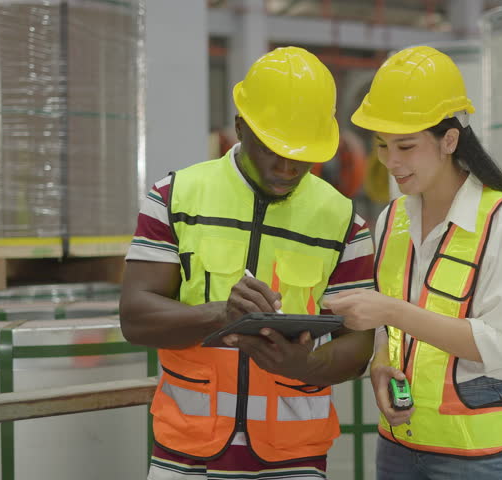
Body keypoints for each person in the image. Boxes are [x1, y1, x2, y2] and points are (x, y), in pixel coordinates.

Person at [119, 46, 375, 480]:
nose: (289, 166)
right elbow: (135, 316)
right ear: (241, 126)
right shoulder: (175, 197)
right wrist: (221, 315)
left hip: (294, 460)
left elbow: (359, 343)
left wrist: (304, 366)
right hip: (186, 456)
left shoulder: (343, 222)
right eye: (274, 148)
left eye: (303, 152)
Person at [325, 45, 502, 479]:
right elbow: (392, 323)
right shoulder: (393, 219)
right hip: (400, 446)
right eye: (383, 146)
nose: (390, 162)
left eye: (406, 146)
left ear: (449, 140)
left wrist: (390, 311)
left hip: (484, 457)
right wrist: (381, 363)